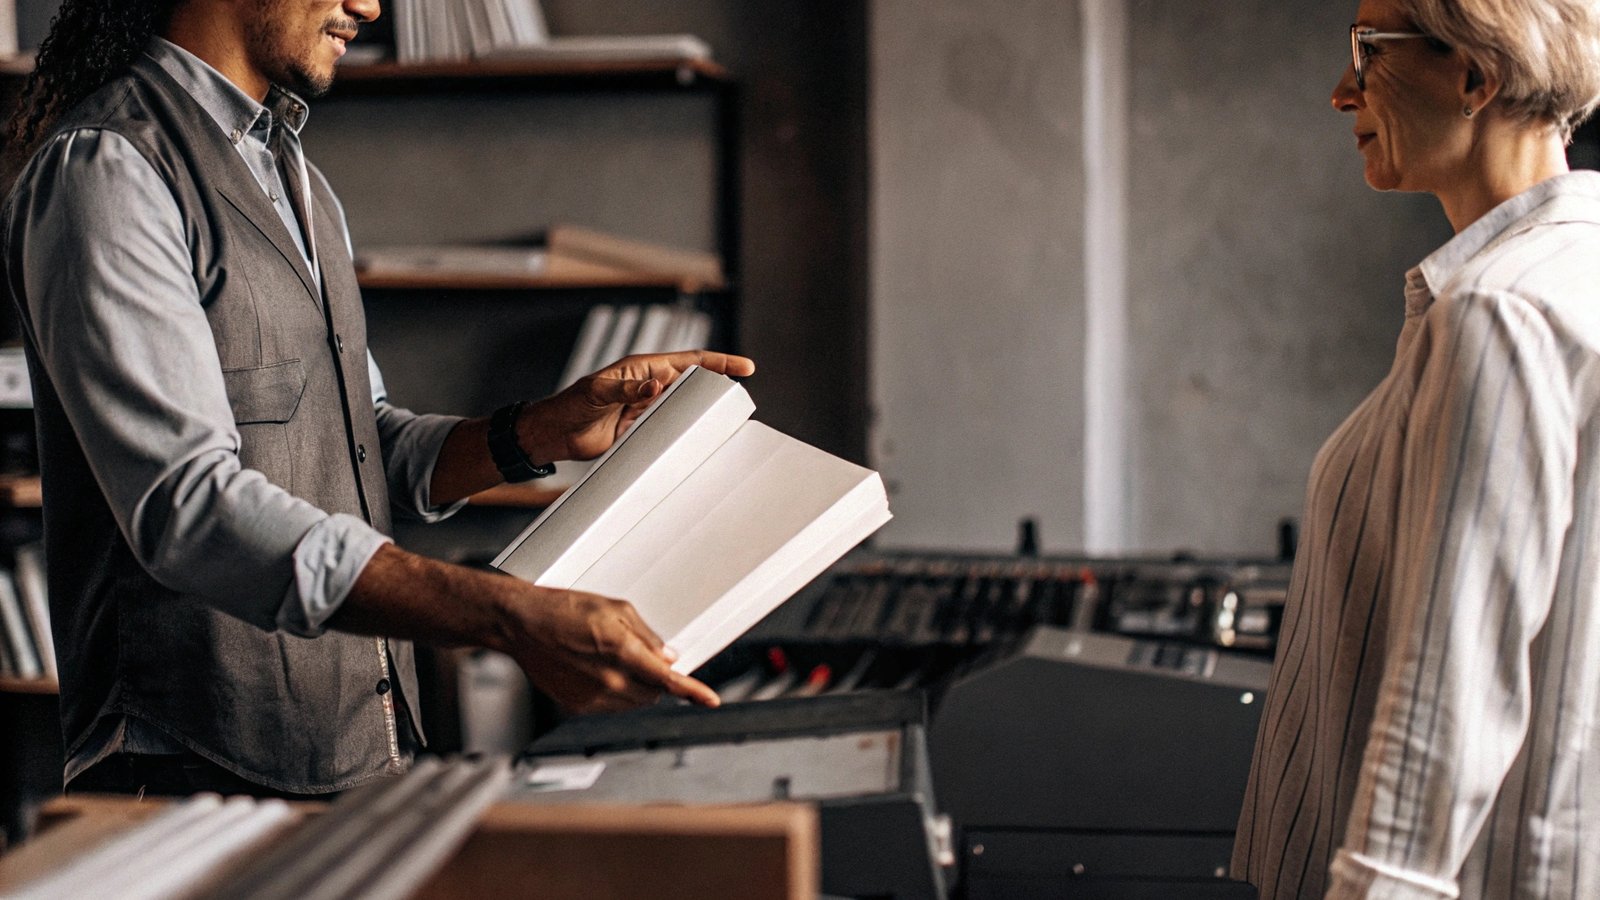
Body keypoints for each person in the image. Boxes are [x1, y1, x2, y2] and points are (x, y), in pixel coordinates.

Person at [1, 0, 754, 798]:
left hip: (360, 757)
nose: (369, 5)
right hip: (191, 775)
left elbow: (364, 451)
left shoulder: (297, 177)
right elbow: (187, 507)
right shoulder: (107, 168)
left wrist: (539, 432)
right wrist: (505, 614)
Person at [1233, 0, 1600, 897]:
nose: (1341, 91)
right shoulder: (1569, 277)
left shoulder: (1499, 311)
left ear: (1476, 73)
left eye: (1370, 51)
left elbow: (1450, 695)